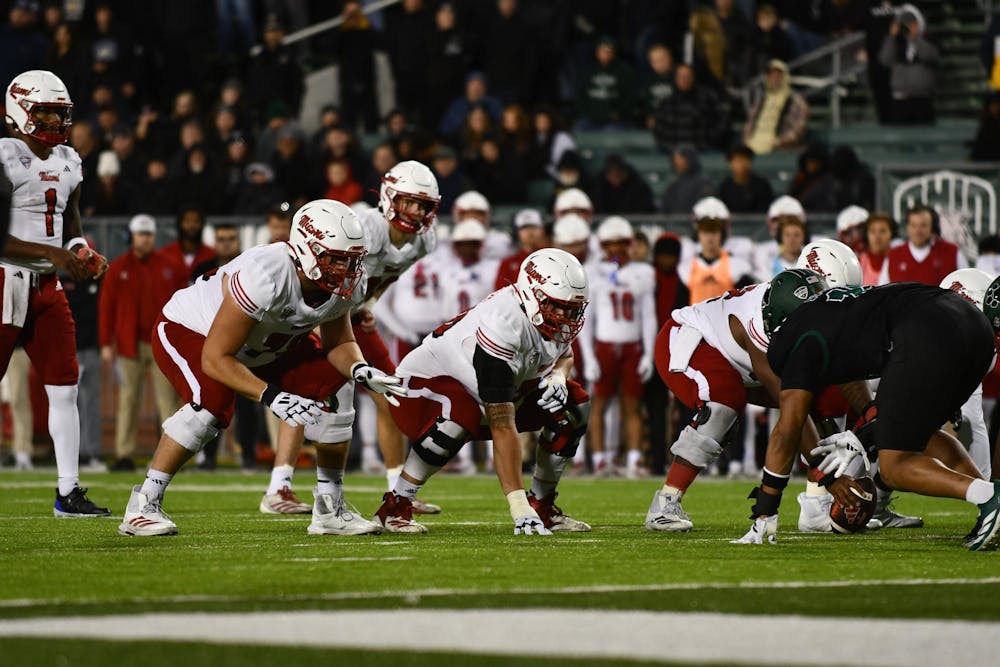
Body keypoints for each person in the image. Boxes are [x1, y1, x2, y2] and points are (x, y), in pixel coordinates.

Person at [118, 200, 404, 536]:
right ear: (308, 249)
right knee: (211, 403)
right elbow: (216, 357)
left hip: (266, 343)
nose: (348, 269)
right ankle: (144, 504)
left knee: (337, 384)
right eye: (337, 259)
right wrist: (271, 396)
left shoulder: (348, 281)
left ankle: (330, 507)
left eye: (353, 260)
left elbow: (338, 343)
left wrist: (358, 368)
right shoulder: (267, 274)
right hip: (193, 329)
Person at [739, 272, 1000, 551]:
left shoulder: (795, 337)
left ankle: (989, 496)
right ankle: (986, 495)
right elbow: (866, 398)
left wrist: (766, 508)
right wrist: (863, 435)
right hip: (974, 324)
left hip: (927, 333)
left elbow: (788, 428)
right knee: (923, 436)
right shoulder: (835, 315)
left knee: (893, 466)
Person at [261, 162, 443, 516]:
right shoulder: (367, 229)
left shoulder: (424, 240)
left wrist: (367, 302)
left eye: (423, 205)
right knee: (312, 392)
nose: (416, 212)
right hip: (321, 311)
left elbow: (387, 275)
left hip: (349, 313)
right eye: (409, 202)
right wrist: (318, 322)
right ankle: (279, 488)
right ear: (390, 197)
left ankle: (398, 492)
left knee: (391, 391)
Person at [374, 248, 592, 534]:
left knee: (574, 406)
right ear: (531, 293)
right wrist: (517, 507)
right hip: (420, 391)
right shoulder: (503, 323)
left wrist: (559, 377)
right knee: (458, 414)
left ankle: (542, 505)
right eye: (557, 306)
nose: (564, 316)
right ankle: (396, 504)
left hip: (476, 393)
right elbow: (502, 422)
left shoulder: (544, 315)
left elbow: (564, 354)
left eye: (571, 309)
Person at [646, 250, 862, 532]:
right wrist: (828, 475)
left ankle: (816, 505)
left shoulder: (793, 305)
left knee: (829, 394)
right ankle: (665, 502)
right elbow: (791, 409)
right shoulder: (757, 322)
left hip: (737, 362)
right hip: (689, 339)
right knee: (724, 403)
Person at [0, 70, 110, 516]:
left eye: (58, 114)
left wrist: (82, 252)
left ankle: (68, 491)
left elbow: (71, 228)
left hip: (48, 287)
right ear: (17, 112)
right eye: (42, 112)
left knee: (64, 388)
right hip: (5, 280)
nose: (52, 122)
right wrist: (56, 254)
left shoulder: (69, 159)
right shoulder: (4, 156)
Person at [99, 214, 188, 472]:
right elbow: (107, 307)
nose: (145, 239)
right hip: (129, 345)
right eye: (141, 234)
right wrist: (106, 342)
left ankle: (173, 456)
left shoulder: (170, 266)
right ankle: (124, 453)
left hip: (162, 342)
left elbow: (183, 302)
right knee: (128, 400)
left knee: (168, 402)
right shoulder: (117, 268)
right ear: (132, 236)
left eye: (148, 234)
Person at [579, 217, 656, 478]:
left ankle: (633, 460)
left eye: (620, 243)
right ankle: (600, 459)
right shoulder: (591, 271)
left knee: (632, 405)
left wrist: (648, 353)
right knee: (599, 404)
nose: (615, 249)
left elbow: (648, 315)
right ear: (602, 245)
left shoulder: (643, 272)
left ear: (629, 244)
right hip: (605, 345)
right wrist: (589, 356)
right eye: (610, 244)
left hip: (632, 346)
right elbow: (586, 320)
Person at [678, 197, 756, 304]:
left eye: (714, 231)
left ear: (722, 234)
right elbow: (679, 311)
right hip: (695, 321)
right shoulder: (685, 269)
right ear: (697, 233)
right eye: (705, 231)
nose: (710, 237)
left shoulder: (738, 268)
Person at [879, 4, 938, 124]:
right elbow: (885, 60)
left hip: (922, 99)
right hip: (899, 99)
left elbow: (929, 55)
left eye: (910, 24)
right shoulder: (895, 43)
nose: (905, 27)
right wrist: (891, 37)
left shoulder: (929, 40)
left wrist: (915, 37)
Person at [884, 205, 966, 285]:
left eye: (923, 225)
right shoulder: (893, 256)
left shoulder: (952, 253)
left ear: (932, 227)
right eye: (913, 225)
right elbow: (880, 292)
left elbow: (968, 288)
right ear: (907, 227)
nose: (918, 231)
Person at [742, 60, 808, 155]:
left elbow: (800, 127)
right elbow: (749, 124)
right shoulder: (760, 101)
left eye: (778, 76)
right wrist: (747, 140)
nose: (774, 79)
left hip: (779, 146)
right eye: (771, 75)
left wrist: (779, 142)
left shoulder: (796, 101)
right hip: (753, 143)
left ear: (785, 77)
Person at [495, 208, 548, 290]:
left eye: (534, 227)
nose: (530, 232)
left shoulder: (553, 257)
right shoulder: (507, 264)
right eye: (524, 228)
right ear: (517, 232)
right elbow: (500, 295)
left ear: (542, 230)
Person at [161, 207, 216, 278]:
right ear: (180, 223)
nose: (192, 225)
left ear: (202, 224)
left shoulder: (211, 255)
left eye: (196, 221)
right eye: (187, 220)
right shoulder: (165, 254)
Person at [717, 144, 773, 214]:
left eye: (746, 160)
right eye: (738, 160)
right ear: (730, 163)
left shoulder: (762, 185)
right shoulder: (724, 187)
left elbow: (766, 211)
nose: (742, 164)